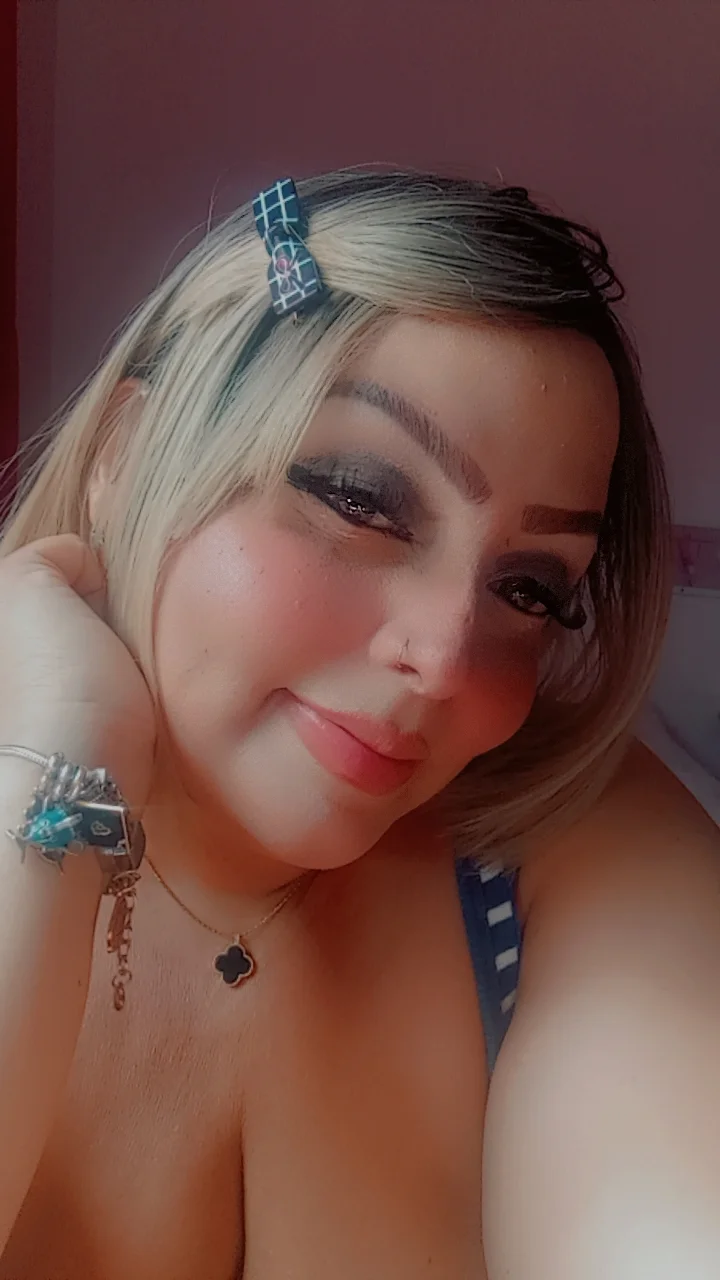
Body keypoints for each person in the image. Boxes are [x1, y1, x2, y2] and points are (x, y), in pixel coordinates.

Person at [0, 169, 719, 1280]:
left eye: (528, 588)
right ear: (125, 457)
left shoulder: (568, 839)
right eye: (361, 497)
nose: (445, 656)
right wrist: (61, 760)